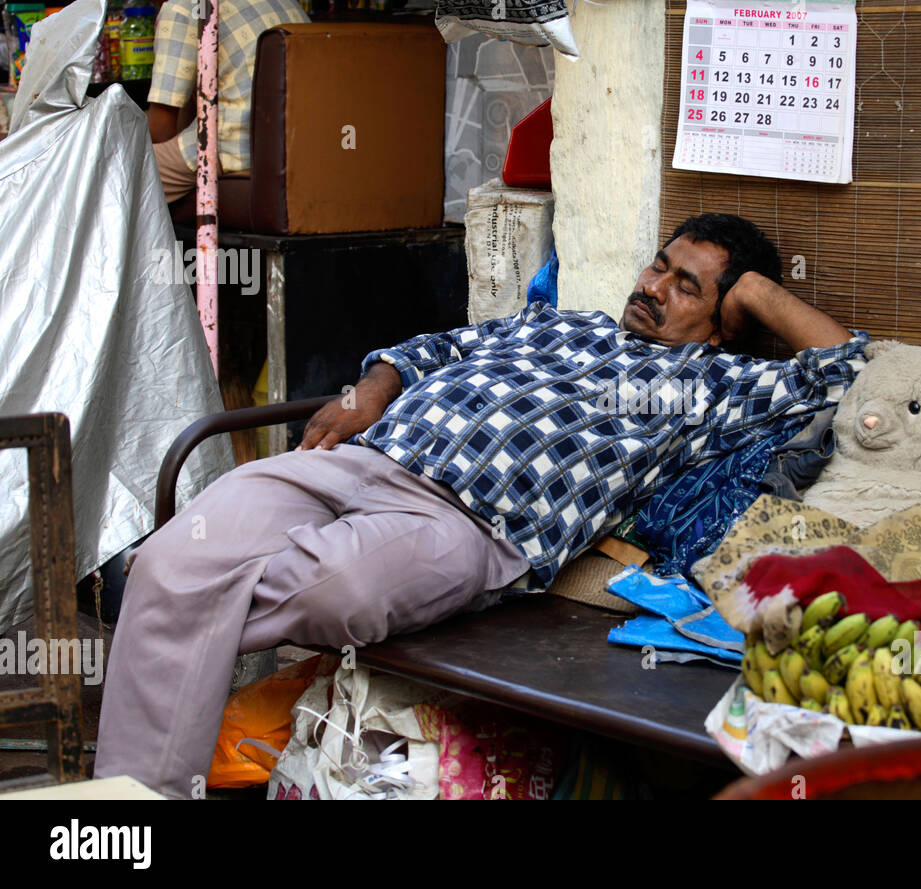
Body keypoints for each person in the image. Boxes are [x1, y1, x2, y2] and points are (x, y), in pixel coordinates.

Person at [93, 213, 871, 798]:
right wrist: (369, 392)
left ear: (727, 317)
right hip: (363, 461)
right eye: (658, 265)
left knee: (336, 591)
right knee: (173, 555)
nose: (653, 287)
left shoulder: (713, 388)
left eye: (686, 286)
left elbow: (856, 366)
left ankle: (185, 602)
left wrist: (759, 295)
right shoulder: (559, 324)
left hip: (468, 527)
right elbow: (436, 349)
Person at [147, 0, 310, 203]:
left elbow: (161, 130)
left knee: (116, 171)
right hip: (296, 144)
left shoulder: (183, 7)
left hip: (232, 146)